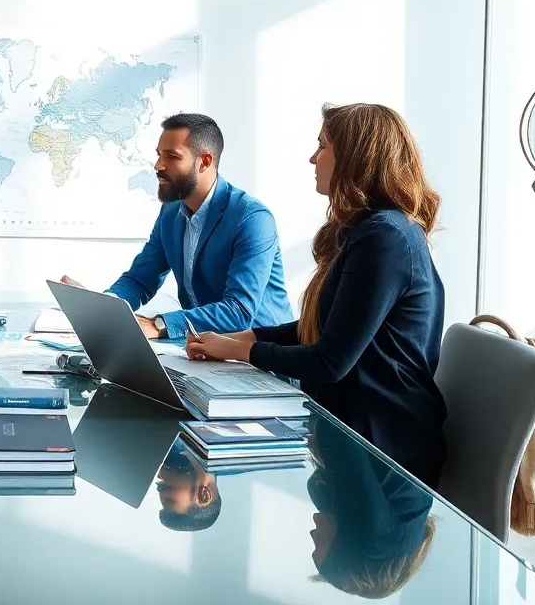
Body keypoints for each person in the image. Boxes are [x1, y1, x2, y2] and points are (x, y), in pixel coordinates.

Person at [186, 103, 448, 487]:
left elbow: (330, 361)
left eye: (323, 146)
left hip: (383, 450)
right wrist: (240, 339)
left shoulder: (385, 238)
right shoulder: (365, 230)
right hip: (350, 424)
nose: (313, 158)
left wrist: (238, 350)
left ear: (357, 158)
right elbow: (324, 328)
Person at [63, 113, 291, 339]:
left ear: (205, 162)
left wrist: (159, 324)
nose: (158, 166)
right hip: (207, 352)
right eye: (159, 155)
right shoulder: (170, 212)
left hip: (262, 363)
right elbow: (140, 280)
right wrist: (105, 308)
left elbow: (238, 312)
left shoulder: (252, 218)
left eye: (172, 156)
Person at [306, 417, 436, 598]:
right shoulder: (375, 543)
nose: (312, 535)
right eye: (316, 548)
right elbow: (335, 428)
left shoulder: (393, 533)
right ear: (344, 555)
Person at [156, 436, 222, 532]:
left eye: (160, 485)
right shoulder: (240, 452)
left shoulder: (161, 446)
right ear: (204, 495)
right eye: (167, 487)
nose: (159, 474)